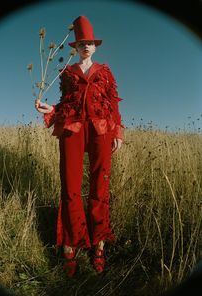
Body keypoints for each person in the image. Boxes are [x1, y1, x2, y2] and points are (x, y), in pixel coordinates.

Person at [35, 15, 124, 277]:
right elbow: (66, 103)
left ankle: (98, 246)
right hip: (73, 129)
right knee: (70, 187)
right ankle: (70, 247)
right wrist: (50, 108)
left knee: (100, 186)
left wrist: (117, 131)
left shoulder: (105, 71)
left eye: (89, 43)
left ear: (95, 47)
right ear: (75, 47)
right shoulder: (67, 73)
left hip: (101, 130)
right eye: (81, 42)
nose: (85, 46)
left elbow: (114, 103)